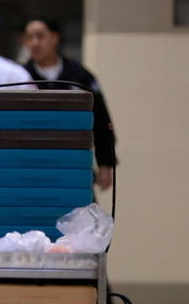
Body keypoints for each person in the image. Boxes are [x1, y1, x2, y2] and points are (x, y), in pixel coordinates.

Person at [22, 18, 119, 190]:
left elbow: (101, 120)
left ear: (54, 38)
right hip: (32, 162)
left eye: (40, 36)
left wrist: (105, 164)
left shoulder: (79, 75)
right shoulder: (20, 77)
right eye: (29, 37)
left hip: (74, 161)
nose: (34, 43)